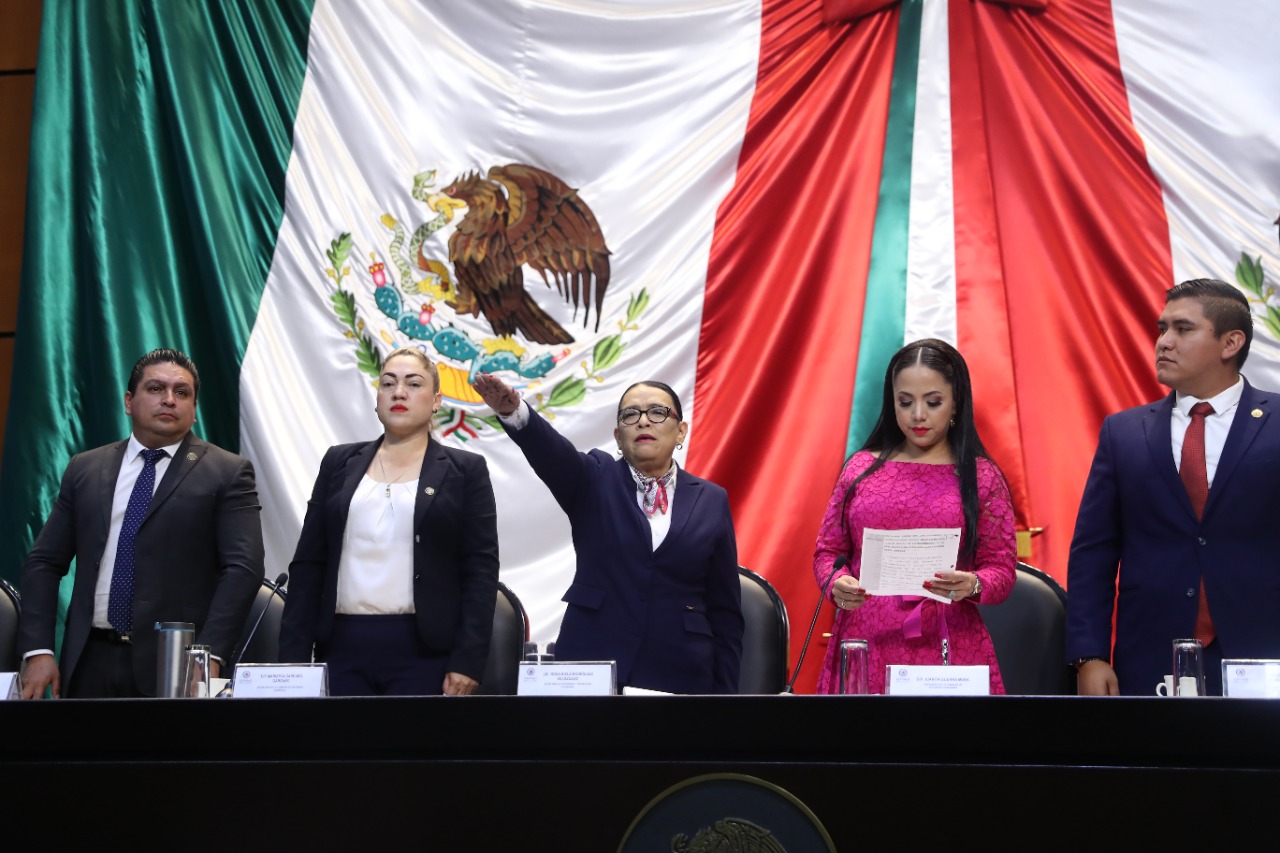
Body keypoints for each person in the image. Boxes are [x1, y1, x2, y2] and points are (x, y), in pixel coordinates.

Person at [1067, 279, 1280, 696]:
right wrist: (1088, 656)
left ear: (1230, 342)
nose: (1164, 342)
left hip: (1263, 651)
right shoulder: (1123, 432)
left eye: (1183, 329)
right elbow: (1093, 552)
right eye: (1162, 329)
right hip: (1149, 655)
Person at [472, 372, 743, 694]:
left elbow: (725, 611)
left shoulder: (711, 499)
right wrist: (515, 413)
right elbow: (551, 453)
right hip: (593, 660)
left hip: (680, 669)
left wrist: (726, 700)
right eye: (630, 415)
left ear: (680, 430)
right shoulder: (594, 478)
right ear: (617, 436)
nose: (643, 421)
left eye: (657, 412)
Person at [18, 348, 265, 698]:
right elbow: (44, 561)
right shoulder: (86, 468)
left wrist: (209, 654)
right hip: (90, 659)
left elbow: (244, 568)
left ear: (194, 410)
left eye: (182, 393)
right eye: (156, 388)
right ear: (128, 402)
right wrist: (39, 650)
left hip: (177, 664)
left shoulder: (227, 472)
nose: (169, 399)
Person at [280, 348, 499, 696]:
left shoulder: (466, 471)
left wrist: (468, 661)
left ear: (436, 401)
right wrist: (291, 660)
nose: (399, 392)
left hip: (426, 654)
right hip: (340, 649)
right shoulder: (338, 462)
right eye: (388, 383)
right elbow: (309, 563)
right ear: (377, 398)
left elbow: (480, 572)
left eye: (414, 384)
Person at [812, 339, 1016, 694]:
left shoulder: (981, 477)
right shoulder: (860, 469)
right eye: (905, 402)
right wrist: (837, 584)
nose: (918, 415)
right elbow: (828, 553)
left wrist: (973, 584)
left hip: (950, 644)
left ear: (956, 403)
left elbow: (1001, 569)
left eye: (933, 402)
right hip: (866, 640)